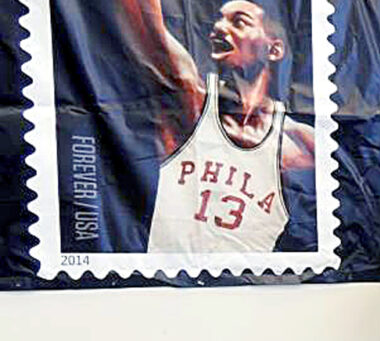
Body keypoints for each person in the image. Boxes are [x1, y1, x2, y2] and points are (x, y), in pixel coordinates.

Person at [119, 0, 315, 252]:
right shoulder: (192, 102)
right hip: (168, 285)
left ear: (274, 49)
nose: (219, 28)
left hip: (243, 288)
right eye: (219, 19)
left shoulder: (301, 143)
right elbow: (146, 22)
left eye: (238, 21)